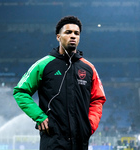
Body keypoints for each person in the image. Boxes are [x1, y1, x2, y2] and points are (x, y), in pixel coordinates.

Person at [13, 16, 106, 150]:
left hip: (80, 141)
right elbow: (20, 92)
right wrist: (39, 116)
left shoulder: (89, 68)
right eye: (68, 32)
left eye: (76, 33)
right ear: (58, 37)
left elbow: (98, 99)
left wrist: (90, 125)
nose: (73, 36)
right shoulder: (43, 64)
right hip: (53, 141)